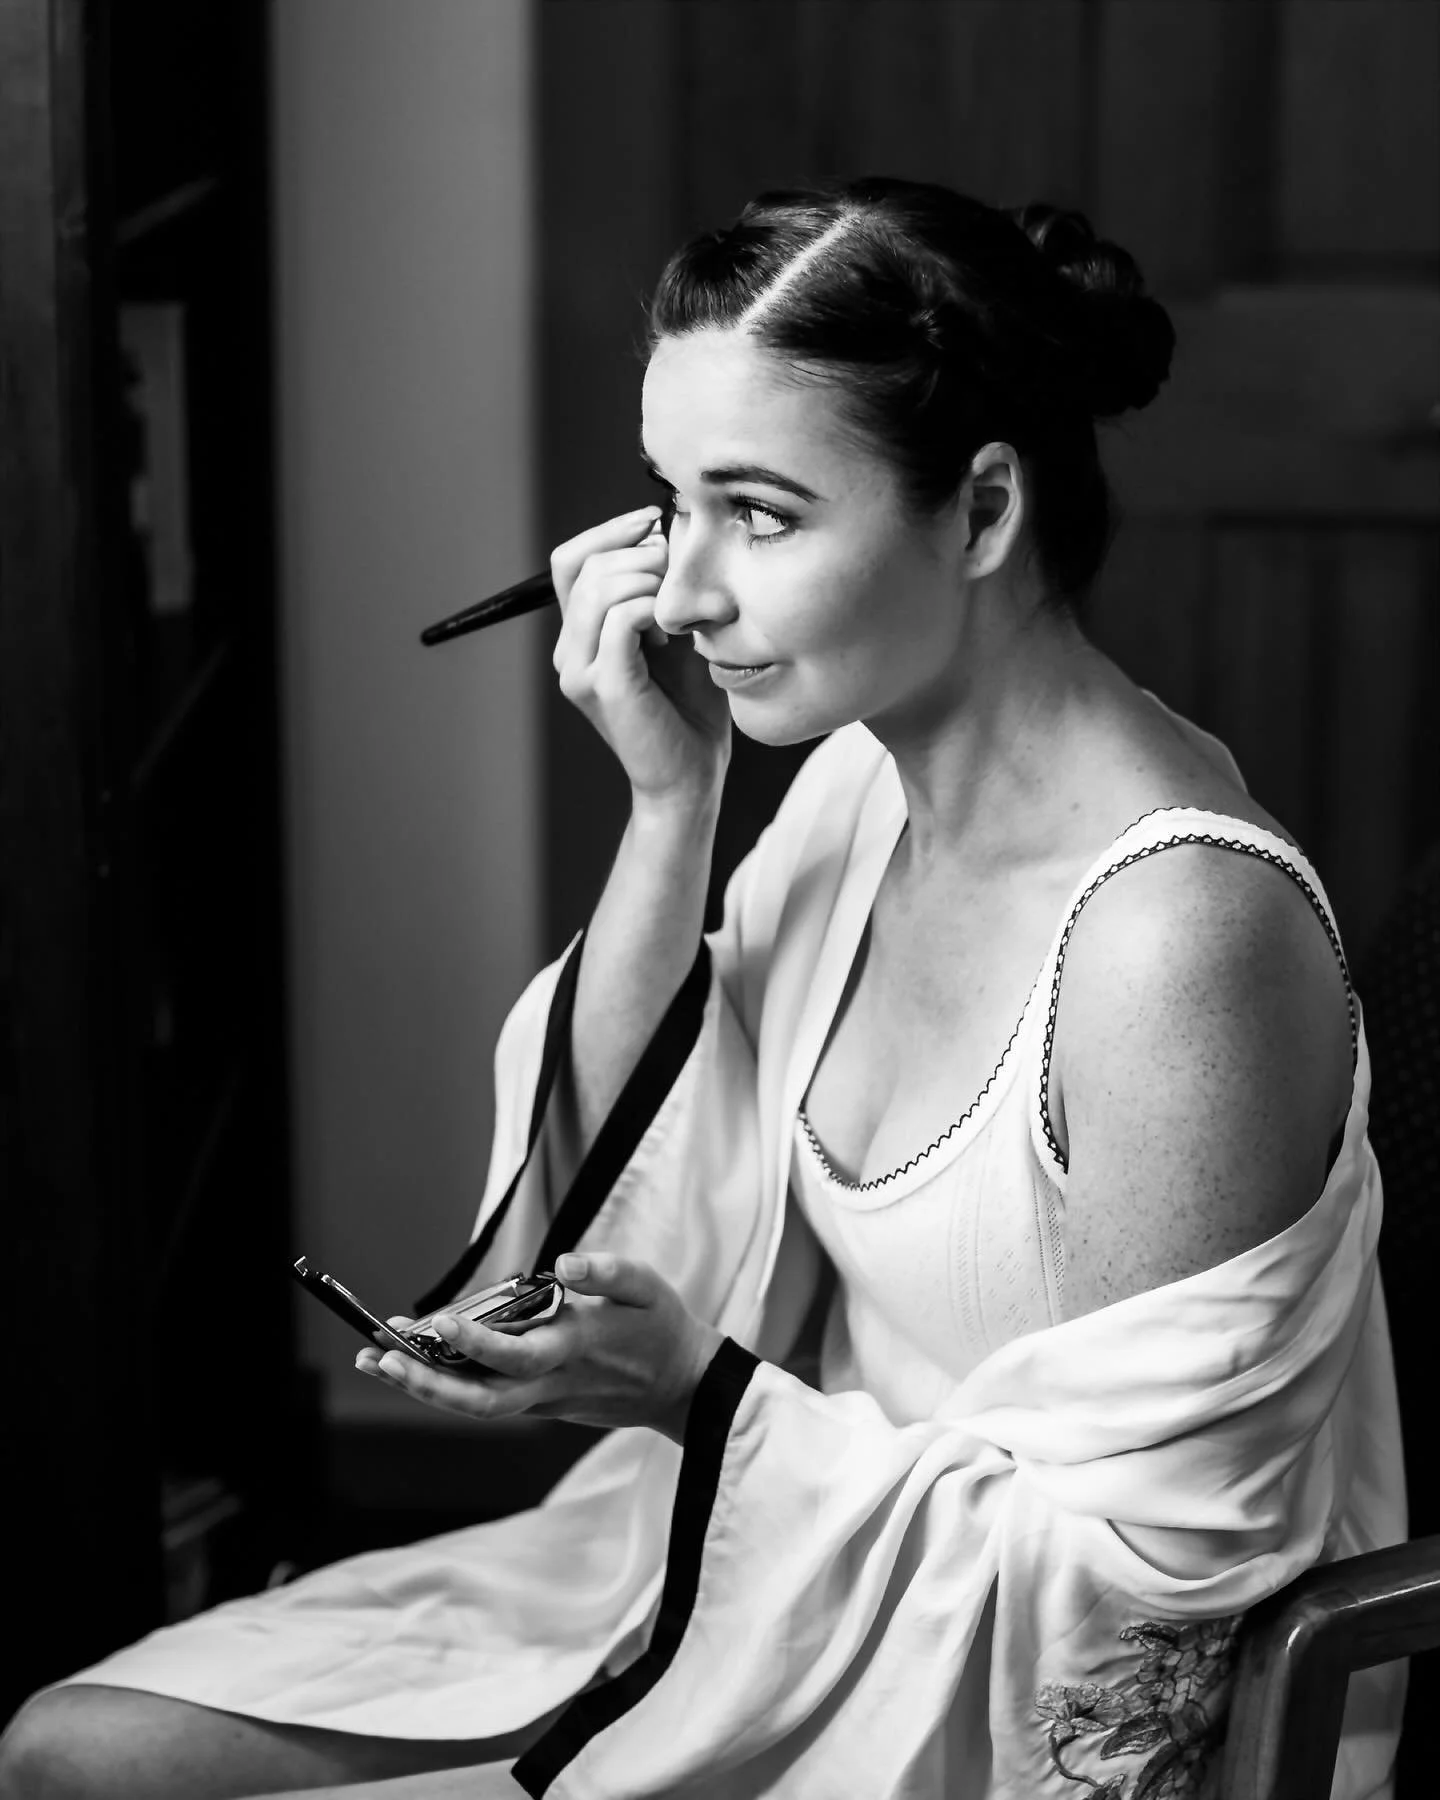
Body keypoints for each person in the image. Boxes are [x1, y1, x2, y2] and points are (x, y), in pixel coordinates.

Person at [1, 174, 1405, 1800]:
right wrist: (672, 808)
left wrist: (701, 1396)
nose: (678, 595)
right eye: (675, 502)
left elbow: (1150, 1613)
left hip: (986, 1691)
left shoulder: (1173, 942)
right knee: (67, 1752)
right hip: (772, 1550)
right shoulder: (858, 790)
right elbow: (629, 1199)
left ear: (985, 512)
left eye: (763, 511)